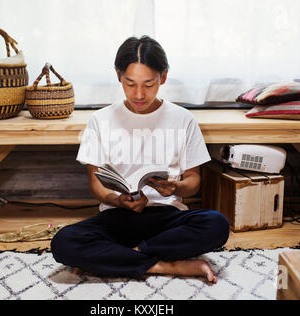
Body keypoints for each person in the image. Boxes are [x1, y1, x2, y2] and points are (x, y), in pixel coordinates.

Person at [51, 36, 229, 283]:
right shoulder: (100, 120)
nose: (139, 94)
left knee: (216, 224)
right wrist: (118, 200)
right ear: (118, 76)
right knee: (63, 242)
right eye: (130, 83)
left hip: (167, 217)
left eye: (149, 84)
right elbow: (96, 184)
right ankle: (165, 265)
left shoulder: (183, 119)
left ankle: (118, 259)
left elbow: (193, 180)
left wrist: (176, 188)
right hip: (117, 218)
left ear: (163, 77)